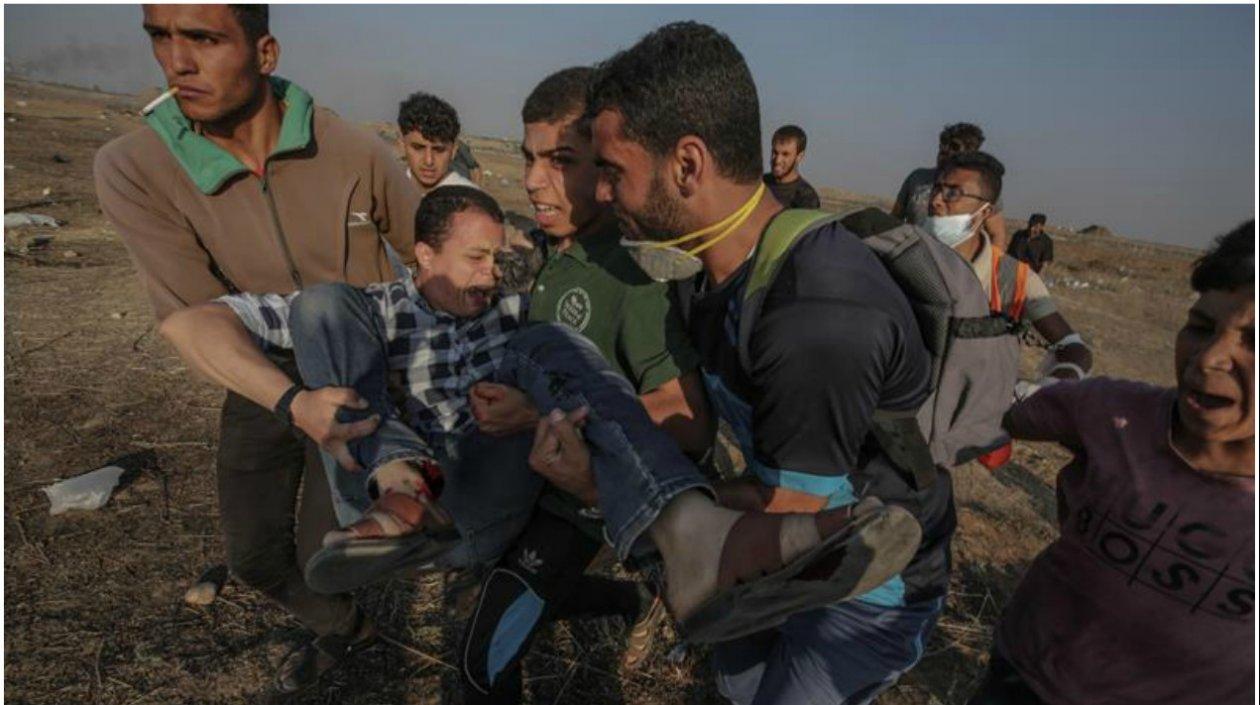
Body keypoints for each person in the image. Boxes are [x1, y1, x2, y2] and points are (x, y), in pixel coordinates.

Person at [158, 185, 924, 664]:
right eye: (473, 259)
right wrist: (294, 403)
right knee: (323, 303)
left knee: (551, 343)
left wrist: (537, 411)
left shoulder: (509, 313)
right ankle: (395, 485)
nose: (491, 275)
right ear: (420, 255)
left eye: (498, 259)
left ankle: (692, 530)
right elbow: (193, 323)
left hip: (484, 493)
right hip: (400, 497)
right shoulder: (378, 309)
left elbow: (605, 386)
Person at [585, 21, 957, 704]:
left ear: (687, 164)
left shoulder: (816, 312)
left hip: (863, 583)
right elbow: (698, 423)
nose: (600, 194)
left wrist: (621, 492)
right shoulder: (704, 263)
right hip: (770, 550)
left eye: (612, 171)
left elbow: (791, 507)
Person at [92, 4, 419, 694]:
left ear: (264, 52)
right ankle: (350, 630)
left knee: (325, 551)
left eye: (204, 39)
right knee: (255, 558)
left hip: (361, 379)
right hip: (261, 375)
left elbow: (433, 254)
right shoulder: (135, 166)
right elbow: (188, 316)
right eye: (161, 37)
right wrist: (290, 399)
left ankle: (356, 642)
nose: (177, 62)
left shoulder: (353, 148)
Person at [458, 66, 711, 702]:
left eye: (559, 161)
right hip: (526, 486)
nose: (534, 179)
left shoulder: (631, 273)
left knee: (479, 664)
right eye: (528, 158)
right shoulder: (552, 250)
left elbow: (688, 418)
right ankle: (626, 600)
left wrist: (537, 413)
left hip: (576, 509)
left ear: (606, 170)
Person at [967, 220, 1254, 705]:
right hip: (1022, 679)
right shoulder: (1113, 413)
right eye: (1201, 327)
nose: (1209, 358)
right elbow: (992, 406)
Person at [923, 152, 1092, 390]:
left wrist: (1041, 390)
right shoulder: (905, 254)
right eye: (936, 189)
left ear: (984, 212)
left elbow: (1075, 350)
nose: (936, 201)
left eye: (953, 193)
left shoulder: (1016, 280)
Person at [893, 122, 1009, 249]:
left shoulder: (981, 190)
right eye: (943, 145)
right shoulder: (917, 178)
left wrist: (989, 266)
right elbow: (894, 219)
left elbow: (997, 235)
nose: (945, 150)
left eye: (954, 147)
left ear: (970, 154)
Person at [397, 91, 478, 193]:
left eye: (439, 150)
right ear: (401, 145)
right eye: (418, 148)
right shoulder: (385, 193)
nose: (429, 161)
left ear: (453, 151)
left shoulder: (471, 201)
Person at [762, 125, 820, 209]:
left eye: (785, 154)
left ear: (799, 157)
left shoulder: (805, 198)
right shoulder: (758, 185)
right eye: (775, 153)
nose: (777, 160)